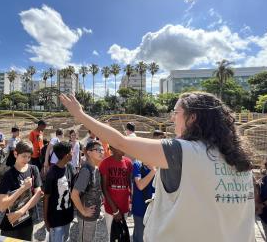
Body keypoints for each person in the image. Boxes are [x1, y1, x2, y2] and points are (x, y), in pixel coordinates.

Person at [59, 92, 254, 241]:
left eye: (176, 113)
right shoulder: (241, 161)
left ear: (192, 118)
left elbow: (121, 142)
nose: (172, 118)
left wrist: (80, 114)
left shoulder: (183, 151)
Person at [0, 141, 42, 240]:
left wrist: (21, 212)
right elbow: (2, 206)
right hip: (11, 226)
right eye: (24, 156)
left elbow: (38, 194)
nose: (26, 159)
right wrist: (22, 188)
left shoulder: (33, 169)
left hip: (27, 221)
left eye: (29, 157)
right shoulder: (8, 175)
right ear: (15, 154)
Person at [71, 141, 104, 242]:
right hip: (86, 217)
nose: (101, 152)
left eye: (102, 150)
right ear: (89, 153)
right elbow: (74, 195)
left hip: (93, 215)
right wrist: (83, 211)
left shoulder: (96, 168)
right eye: (98, 150)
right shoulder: (86, 171)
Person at [43, 142, 74, 242]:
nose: (73, 153)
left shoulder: (70, 168)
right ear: (66, 155)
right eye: (71, 151)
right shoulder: (52, 173)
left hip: (68, 215)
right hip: (56, 219)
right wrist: (46, 220)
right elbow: (46, 197)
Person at [99, 146, 132, 237]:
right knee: (112, 234)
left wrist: (130, 202)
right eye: (120, 146)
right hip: (111, 208)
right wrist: (115, 210)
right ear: (112, 149)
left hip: (124, 206)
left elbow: (129, 184)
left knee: (122, 233)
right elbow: (104, 188)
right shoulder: (105, 163)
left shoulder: (128, 162)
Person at [132, 160, 155, 242]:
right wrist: (153, 171)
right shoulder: (137, 164)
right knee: (140, 237)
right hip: (140, 209)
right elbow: (140, 185)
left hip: (154, 209)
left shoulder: (158, 164)